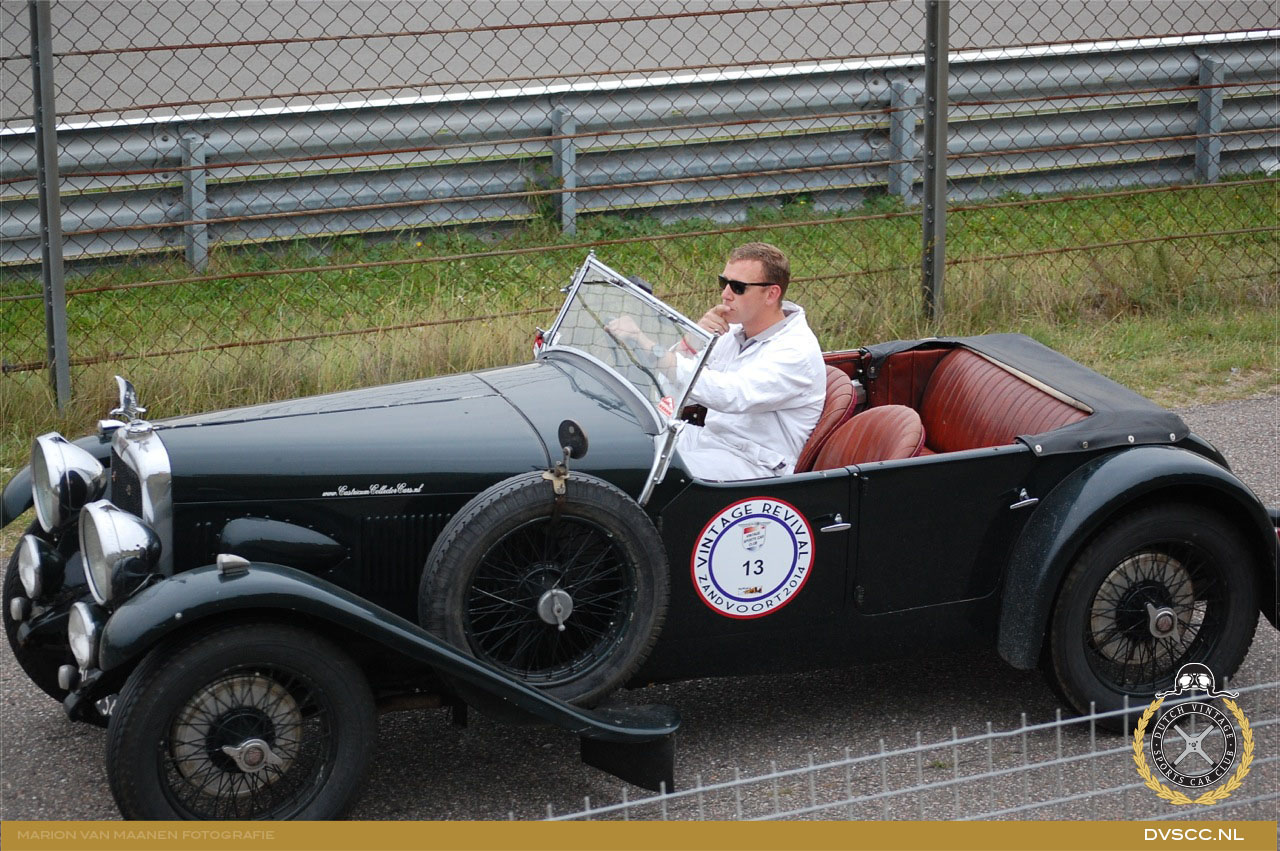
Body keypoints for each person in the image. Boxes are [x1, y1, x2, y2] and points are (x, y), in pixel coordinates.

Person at [609, 243, 826, 480]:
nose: (725, 294)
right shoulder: (733, 332)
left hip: (756, 463)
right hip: (711, 440)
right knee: (621, 443)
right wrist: (694, 338)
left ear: (771, 294)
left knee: (648, 470)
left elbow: (729, 395)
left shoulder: (796, 351)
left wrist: (646, 344)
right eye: (724, 282)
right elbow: (673, 387)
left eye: (738, 287)